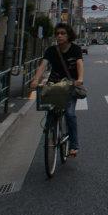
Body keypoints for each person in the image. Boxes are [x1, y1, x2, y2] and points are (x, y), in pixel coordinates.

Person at [31, 23, 84, 158]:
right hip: (54, 85)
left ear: (68, 35)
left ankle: (73, 145)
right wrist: (36, 79)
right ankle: (51, 133)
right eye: (57, 33)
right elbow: (43, 65)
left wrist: (80, 78)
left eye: (63, 33)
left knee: (70, 114)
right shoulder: (51, 50)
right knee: (50, 114)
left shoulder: (76, 49)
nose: (59, 36)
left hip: (70, 85)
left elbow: (79, 64)